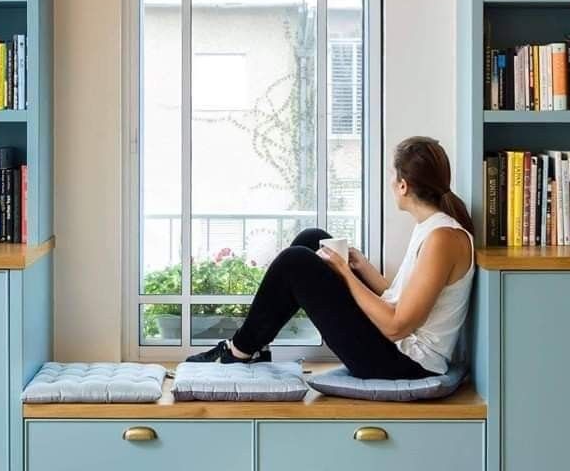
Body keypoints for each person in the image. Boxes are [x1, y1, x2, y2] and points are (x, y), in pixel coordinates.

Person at [187, 136, 475, 379]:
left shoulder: (443, 238)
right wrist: (362, 266)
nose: (390, 182)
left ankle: (238, 351)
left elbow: (397, 325)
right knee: (313, 240)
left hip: (405, 362)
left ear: (403, 185)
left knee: (295, 261)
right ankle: (253, 348)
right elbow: (400, 299)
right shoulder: (433, 228)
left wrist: (346, 275)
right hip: (396, 346)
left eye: (392, 174)